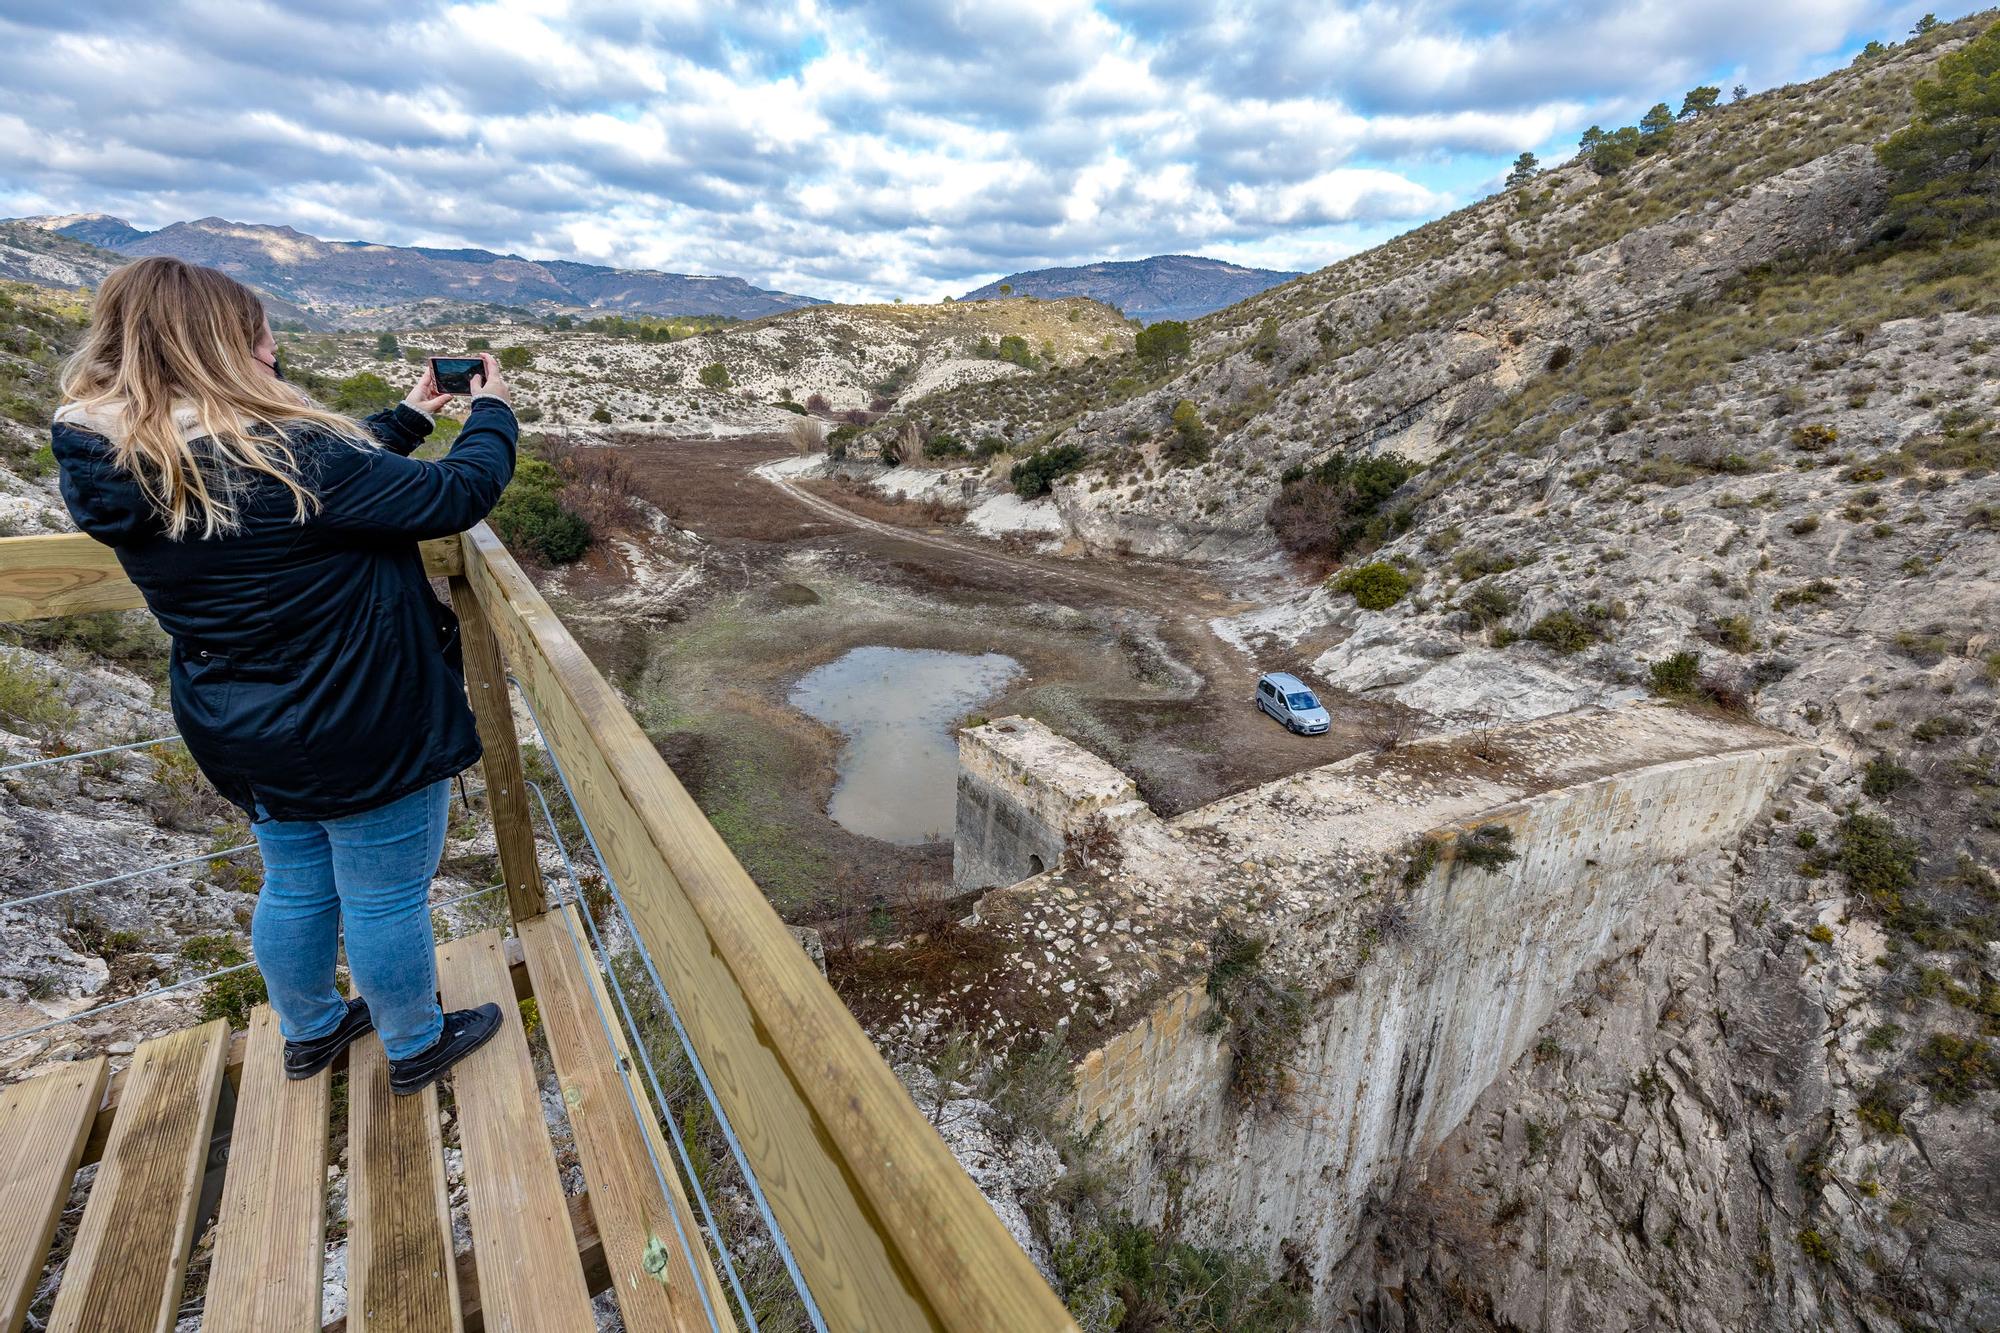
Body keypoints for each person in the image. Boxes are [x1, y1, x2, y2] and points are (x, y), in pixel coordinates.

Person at [51, 255, 518, 1095]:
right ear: (215, 348)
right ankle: (415, 1044)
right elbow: (455, 494)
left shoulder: (117, 451)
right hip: (360, 717)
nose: (271, 350)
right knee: (383, 896)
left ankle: (310, 1029)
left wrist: (411, 414)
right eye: (258, 335)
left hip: (237, 721)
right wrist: (493, 411)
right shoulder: (290, 452)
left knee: (296, 880)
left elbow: (316, 477)